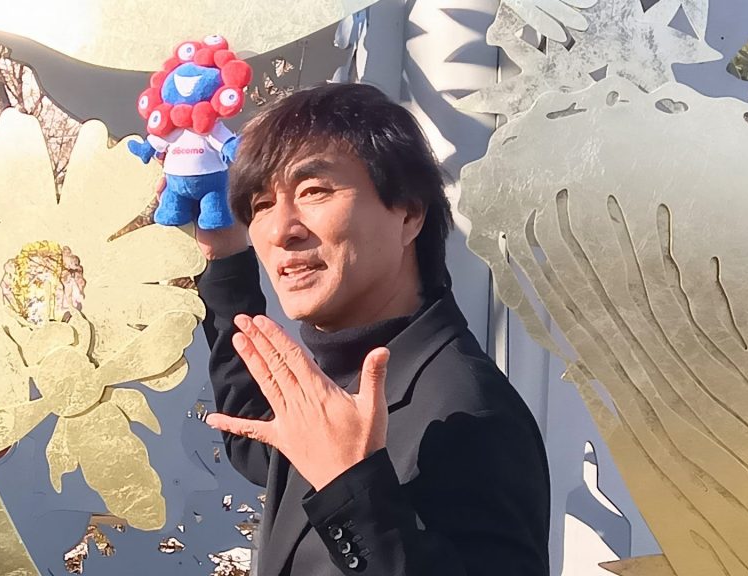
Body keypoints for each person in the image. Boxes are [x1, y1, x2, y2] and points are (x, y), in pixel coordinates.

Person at [195, 83, 550, 576]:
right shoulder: (348, 376)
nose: (280, 230)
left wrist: (351, 488)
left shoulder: (467, 413)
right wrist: (224, 258)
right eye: (260, 204)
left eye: (313, 191)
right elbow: (259, 438)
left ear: (409, 213)